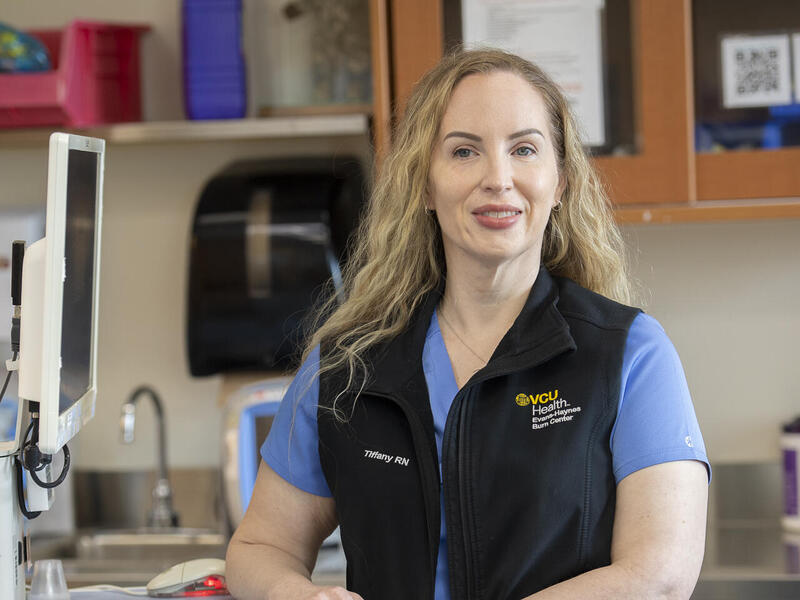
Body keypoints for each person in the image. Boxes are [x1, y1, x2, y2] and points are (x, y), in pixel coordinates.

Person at [226, 48, 710, 600]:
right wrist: (300, 596)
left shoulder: (631, 353)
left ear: (560, 182)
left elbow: (660, 575)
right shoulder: (347, 366)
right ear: (425, 186)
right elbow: (260, 548)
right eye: (464, 151)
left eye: (524, 149)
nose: (498, 179)